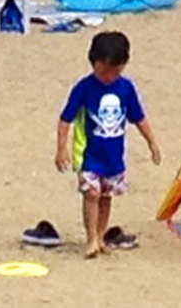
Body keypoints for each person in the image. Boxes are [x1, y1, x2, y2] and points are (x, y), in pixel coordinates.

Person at [55, 31, 162, 258]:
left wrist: (151, 141)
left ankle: (101, 236)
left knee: (106, 196)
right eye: (104, 70)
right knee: (91, 194)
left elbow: (138, 117)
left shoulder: (125, 88)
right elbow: (66, 119)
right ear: (93, 62)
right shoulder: (84, 88)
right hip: (88, 155)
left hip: (113, 156)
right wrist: (61, 148)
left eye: (115, 71)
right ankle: (91, 238)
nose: (109, 76)